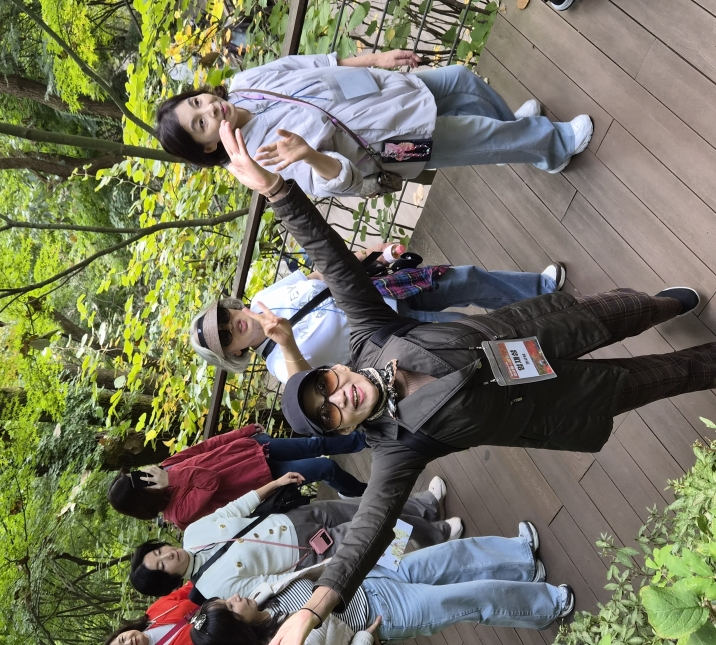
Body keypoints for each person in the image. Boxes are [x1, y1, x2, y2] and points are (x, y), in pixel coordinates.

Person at [216, 119, 716, 645]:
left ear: (331, 368)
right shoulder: (397, 448)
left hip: (538, 331)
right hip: (561, 404)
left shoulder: (372, 336)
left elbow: (335, 265)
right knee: (666, 377)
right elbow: (368, 531)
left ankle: (661, 307)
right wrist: (313, 610)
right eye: (329, 412)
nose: (339, 396)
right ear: (341, 428)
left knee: (627, 310)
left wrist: (276, 189)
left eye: (325, 385)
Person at [155, 50, 593, 197]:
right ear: (208, 146)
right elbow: (338, 182)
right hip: (390, 142)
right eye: (199, 123)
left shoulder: (246, 84)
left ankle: (520, 134)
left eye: (197, 102)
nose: (209, 109)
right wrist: (308, 154)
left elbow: (318, 64)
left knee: (462, 81)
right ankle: (553, 147)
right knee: (479, 136)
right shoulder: (258, 159)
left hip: (384, 92)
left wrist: (377, 59)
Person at [190, 243, 565, 384]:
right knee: (473, 332)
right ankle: (553, 341)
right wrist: (286, 343)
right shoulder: (279, 366)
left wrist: (375, 256)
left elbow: (321, 277)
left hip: (383, 289)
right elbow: (307, 382)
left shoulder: (262, 297)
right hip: (392, 333)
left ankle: (539, 289)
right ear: (235, 353)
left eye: (223, 318)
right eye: (225, 337)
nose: (231, 326)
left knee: (466, 279)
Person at [187, 522, 574, 645]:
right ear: (236, 629)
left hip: (372, 577)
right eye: (230, 607)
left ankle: (521, 558)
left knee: (453, 555)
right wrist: (365, 640)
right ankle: (549, 607)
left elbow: (318, 572)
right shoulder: (283, 642)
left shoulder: (264, 596)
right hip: (386, 614)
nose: (234, 597)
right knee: (471, 598)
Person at [130, 473, 458, 603]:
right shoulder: (212, 589)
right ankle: (436, 534)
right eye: (161, 566)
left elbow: (235, 509)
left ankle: (426, 505)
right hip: (308, 553)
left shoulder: (192, 533)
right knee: (378, 529)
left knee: (365, 507)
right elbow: (272, 584)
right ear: (168, 580)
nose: (167, 555)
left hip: (294, 518)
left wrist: (275, 484)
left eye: (158, 552)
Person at [108, 424, 368, 528]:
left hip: (254, 450)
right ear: (141, 498)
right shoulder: (179, 514)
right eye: (136, 481)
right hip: (265, 479)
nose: (142, 475)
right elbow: (209, 481)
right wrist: (171, 479)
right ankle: (361, 493)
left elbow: (207, 447)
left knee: (315, 444)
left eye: (135, 474)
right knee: (324, 468)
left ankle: (365, 439)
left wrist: (244, 432)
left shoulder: (166, 466)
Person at [104, 582, 197, 645]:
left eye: (122, 639)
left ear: (124, 632)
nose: (129, 643)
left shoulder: (154, 612)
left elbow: (188, 589)